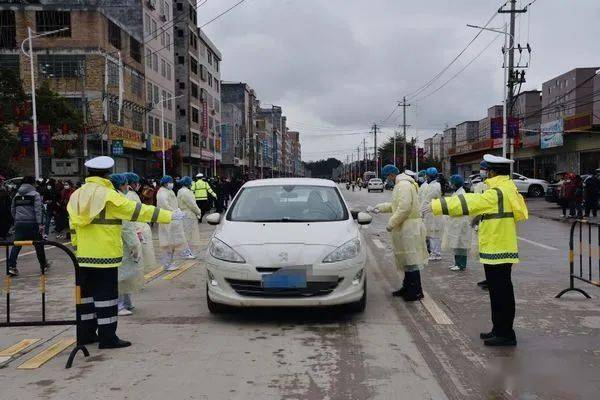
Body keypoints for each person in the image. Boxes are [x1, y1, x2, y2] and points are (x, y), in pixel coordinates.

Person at [68, 156, 181, 349]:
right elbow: (137, 211)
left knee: (86, 298)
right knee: (106, 298)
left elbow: (72, 226)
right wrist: (169, 216)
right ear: (108, 174)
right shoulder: (109, 195)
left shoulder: (77, 194)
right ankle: (107, 338)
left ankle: (86, 335)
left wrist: (78, 248)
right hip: (105, 257)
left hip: (83, 257)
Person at [425, 154, 529, 346]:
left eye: (486, 169)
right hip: (499, 246)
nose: (484, 173)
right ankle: (499, 329)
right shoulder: (506, 188)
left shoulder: (497, 191)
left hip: (499, 248)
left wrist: (436, 205)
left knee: (501, 293)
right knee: (499, 292)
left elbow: (470, 202)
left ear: (492, 171)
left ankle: (505, 334)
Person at [371, 165, 428, 301]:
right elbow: (395, 205)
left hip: (409, 227)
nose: (387, 180)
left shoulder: (403, 186)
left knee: (411, 259)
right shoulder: (401, 185)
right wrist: (380, 208)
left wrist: (391, 223)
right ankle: (407, 287)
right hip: (405, 226)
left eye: (386, 177)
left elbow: (404, 208)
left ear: (391, 175)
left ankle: (415, 291)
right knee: (406, 260)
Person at [109, 174, 143, 317]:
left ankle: (126, 302)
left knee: (126, 273)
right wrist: (134, 245)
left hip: (114, 241)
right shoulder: (120, 200)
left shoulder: (113, 197)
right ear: (120, 185)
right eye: (125, 184)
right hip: (120, 242)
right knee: (122, 275)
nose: (127, 186)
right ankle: (119, 305)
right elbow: (126, 226)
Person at [7, 176, 51, 276]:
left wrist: (17, 219)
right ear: (32, 184)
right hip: (33, 223)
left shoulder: (17, 195)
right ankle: (43, 265)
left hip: (19, 223)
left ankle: (12, 267)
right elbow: (38, 210)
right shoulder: (35, 194)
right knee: (38, 244)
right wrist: (40, 223)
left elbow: (12, 209)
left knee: (17, 245)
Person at [124, 172, 157, 274]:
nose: (138, 185)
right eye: (135, 183)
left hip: (138, 227)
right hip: (136, 229)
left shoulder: (132, 194)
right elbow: (132, 216)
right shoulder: (130, 196)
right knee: (136, 258)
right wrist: (137, 231)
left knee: (138, 257)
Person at [156, 175, 188, 270]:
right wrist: (175, 212)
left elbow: (173, 204)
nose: (172, 184)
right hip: (166, 219)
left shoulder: (168, 191)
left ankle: (169, 263)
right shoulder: (162, 193)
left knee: (172, 243)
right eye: (170, 182)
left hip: (172, 219)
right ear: (166, 183)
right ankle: (166, 265)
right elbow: (165, 205)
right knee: (167, 243)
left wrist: (177, 211)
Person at [442, 175, 471, 271]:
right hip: (456, 222)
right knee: (456, 243)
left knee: (461, 243)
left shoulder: (461, 193)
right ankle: (457, 263)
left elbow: (459, 208)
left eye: (452, 183)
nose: (451, 184)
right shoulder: (457, 193)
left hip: (461, 222)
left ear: (456, 184)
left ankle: (461, 264)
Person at [472, 161, 490, 290]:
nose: (481, 171)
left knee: (490, 253)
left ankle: (491, 280)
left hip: (490, 223)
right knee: (483, 252)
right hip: (481, 222)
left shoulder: (493, 186)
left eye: (484, 169)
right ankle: (488, 278)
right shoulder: (479, 185)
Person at [177, 176, 203, 258]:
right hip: (188, 214)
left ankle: (186, 252)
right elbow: (192, 205)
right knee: (187, 235)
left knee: (185, 233)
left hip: (184, 213)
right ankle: (186, 253)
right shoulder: (186, 192)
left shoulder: (180, 191)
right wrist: (199, 212)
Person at [421, 167, 443, 261]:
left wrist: (420, 211)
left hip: (433, 213)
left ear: (429, 176)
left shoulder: (434, 186)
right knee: (432, 234)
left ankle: (436, 254)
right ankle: (434, 253)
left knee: (434, 234)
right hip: (431, 213)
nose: (426, 177)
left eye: (427, 176)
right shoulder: (431, 185)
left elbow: (426, 200)